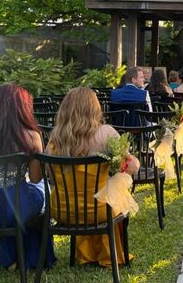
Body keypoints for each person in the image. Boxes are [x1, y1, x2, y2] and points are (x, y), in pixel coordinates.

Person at [0, 84, 56, 270]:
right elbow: (36, 178)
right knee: (38, 191)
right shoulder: (31, 136)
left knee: (12, 197)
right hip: (11, 210)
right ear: (23, 108)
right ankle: (32, 258)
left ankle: (11, 259)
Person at [47, 87, 139, 267]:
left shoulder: (53, 140)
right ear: (94, 109)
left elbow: (50, 177)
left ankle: (87, 252)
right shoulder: (106, 133)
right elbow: (132, 168)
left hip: (63, 210)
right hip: (99, 210)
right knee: (117, 192)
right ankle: (108, 253)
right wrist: (130, 160)